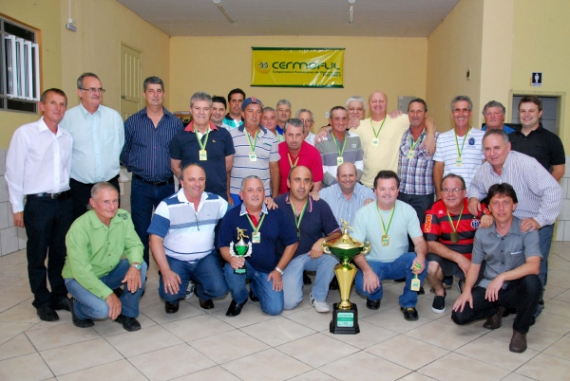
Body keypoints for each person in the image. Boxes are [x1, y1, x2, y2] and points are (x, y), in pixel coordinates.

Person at [467, 129, 561, 316]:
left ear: (508, 147)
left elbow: (553, 191)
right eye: (487, 149)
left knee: (535, 269)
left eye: (497, 148)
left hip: (532, 223)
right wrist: (473, 198)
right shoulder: (485, 169)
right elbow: (476, 186)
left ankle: (532, 308)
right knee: (505, 263)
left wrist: (539, 220)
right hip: (505, 223)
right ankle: (502, 301)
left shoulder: (526, 165)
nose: (492, 153)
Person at [5, 88, 74, 321]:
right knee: (37, 255)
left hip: (63, 203)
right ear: (42, 106)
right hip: (38, 204)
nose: (58, 108)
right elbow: (13, 173)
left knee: (59, 253)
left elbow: (66, 170)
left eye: (62, 104)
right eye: (53, 103)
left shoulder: (66, 137)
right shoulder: (25, 134)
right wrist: (17, 207)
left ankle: (58, 294)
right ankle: (41, 300)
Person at [452, 183, 542, 353]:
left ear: (514, 205)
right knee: (460, 315)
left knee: (533, 283)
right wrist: (467, 290)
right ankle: (497, 309)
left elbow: (534, 266)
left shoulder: (526, 229)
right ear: (489, 208)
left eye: (506, 202)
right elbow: (475, 266)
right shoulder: (482, 232)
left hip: (515, 286)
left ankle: (520, 331)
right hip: (489, 287)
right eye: (496, 203)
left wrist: (503, 277)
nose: (501, 208)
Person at [63, 182, 146, 332]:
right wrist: (108, 294)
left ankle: (127, 313)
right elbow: (81, 271)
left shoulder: (123, 217)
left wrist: (135, 266)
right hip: (79, 279)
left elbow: (135, 245)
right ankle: (78, 309)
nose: (112, 207)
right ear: (93, 203)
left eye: (115, 201)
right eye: (106, 202)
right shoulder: (79, 228)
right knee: (102, 311)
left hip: (108, 272)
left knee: (141, 265)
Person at [148, 164, 229, 314]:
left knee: (220, 290)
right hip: (175, 259)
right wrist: (166, 271)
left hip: (205, 258)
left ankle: (202, 292)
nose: (197, 184)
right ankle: (175, 296)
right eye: (191, 179)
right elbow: (155, 240)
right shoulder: (167, 205)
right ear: (182, 182)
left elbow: (238, 214)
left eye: (201, 179)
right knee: (170, 293)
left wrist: (265, 203)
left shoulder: (216, 201)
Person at [121, 76, 184, 267]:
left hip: (166, 186)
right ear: (144, 94)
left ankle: (167, 273)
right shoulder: (132, 122)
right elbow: (124, 151)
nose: (155, 95)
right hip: (141, 186)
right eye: (151, 91)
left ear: (164, 94)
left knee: (168, 231)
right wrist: (136, 166)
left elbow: (180, 153)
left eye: (158, 91)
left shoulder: (175, 123)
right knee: (140, 232)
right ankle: (140, 273)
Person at [352, 170, 427, 321]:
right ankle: (375, 295)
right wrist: (366, 270)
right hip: (373, 263)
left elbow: (419, 241)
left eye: (392, 189)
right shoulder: (363, 213)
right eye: (382, 189)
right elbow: (355, 248)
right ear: (375, 191)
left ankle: (408, 302)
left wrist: (421, 256)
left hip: (399, 262)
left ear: (398, 191)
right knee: (361, 285)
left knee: (419, 262)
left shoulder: (408, 210)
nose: (387, 193)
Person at [218, 176, 298, 317]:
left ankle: (256, 287)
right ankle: (240, 298)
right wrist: (231, 259)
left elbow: (292, 242)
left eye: (259, 190)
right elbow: (223, 245)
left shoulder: (276, 213)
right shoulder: (231, 216)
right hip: (244, 267)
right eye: (250, 190)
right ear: (241, 195)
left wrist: (278, 270)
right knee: (232, 270)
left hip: (268, 270)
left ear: (264, 194)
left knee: (274, 309)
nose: (255, 194)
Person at [275, 166, 341, 312]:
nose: (302, 185)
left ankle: (318, 296)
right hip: (287, 259)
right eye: (297, 180)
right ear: (288, 183)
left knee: (332, 257)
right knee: (288, 303)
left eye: (306, 181)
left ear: (312, 185)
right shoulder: (276, 205)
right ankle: (295, 281)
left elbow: (337, 234)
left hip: (311, 255)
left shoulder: (320, 205)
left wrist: (323, 240)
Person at [60, 72, 124, 219]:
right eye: (92, 89)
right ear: (80, 92)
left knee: (110, 231)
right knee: (83, 232)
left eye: (100, 89)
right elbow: (63, 152)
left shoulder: (113, 117)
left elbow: (119, 146)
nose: (97, 93)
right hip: (80, 188)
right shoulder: (68, 119)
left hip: (109, 185)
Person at [350, 91, 435, 188]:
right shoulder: (358, 126)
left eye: (381, 101)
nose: (378, 104)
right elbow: (337, 130)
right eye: (374, 101)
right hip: (367, 184)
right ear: (369, 105)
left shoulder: (398, 119)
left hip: (390, 186)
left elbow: (426, 119)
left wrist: (430, 135)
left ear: (387, 103)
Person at [424, 174, 482, 313]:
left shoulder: (477, 207)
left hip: (473, 258)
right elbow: (430, 244)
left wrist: (490, 218)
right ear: (441, 192)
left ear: (464, 192)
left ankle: (465, 286)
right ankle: (439, 293)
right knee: (430, 267)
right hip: (446, 256)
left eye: (456, 189)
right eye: (446, 190)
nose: (450, 194)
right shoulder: (433, 210)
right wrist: (459, 258)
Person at [170, 92, 235, 202]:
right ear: (191, 109)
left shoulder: (224, 135)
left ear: (211, 111)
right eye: (197, 108)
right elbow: (175, 167)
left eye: (205, 109)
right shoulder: (180, 137)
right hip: (189, 196)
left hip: (217, 195)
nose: (201, 113)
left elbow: (228, 165)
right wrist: (190, 182)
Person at [229, 97, 280, 206]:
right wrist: (227, 194)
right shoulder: (231, 136)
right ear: (242, 113)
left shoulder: (271, 137)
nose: (254, 115)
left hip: (263, 194)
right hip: (236, 193)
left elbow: (274, 169)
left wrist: (275, 195)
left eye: (258, 112)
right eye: (250, 111)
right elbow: (226, 168)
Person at [397, 98, 439, 231]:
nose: (415, 115)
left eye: (419, 111)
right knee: (402, 232)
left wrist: (430, 134)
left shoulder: (436, 138)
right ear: (408, 113)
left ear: (425, 114)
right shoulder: (401, 134)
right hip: (402, 194)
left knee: (421, 233)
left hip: (423, 196)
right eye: (412, 111)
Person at [433, 95, 485, 198]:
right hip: (449, 198)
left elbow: (486, 168)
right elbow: (438, 169)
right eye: (457, 110)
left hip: (474, 199)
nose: (461, 114)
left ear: (471, 113)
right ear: (452, 114)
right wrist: (439, 195)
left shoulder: (482, 137)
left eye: (465, 110)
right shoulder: (443, 138)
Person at [508, 95, 565, 181]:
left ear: (540, 113)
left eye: (531, 111)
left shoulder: (552, 139)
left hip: (539, 193)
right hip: (511, 192)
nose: (526, 115)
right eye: (523, 111)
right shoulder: (509, 138)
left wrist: (545, 189)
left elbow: (559, 171)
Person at [316, 106, 363, 187]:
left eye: (344, 118)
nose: (341, 122)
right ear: (330, 121)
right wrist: (336, 184)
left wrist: (350, 182)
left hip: (352, 188)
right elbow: (320, 167)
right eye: (337, 119)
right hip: (329, 189)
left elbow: (359, 163)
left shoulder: (355, 138)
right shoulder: (321, 141)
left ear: (348, 120)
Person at [319, 162, 375, 227]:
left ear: (356, 176)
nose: (347, 179)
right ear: (337, 177)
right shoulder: (324, 195)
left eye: (351, 175)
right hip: (334, 237)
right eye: (344, 176)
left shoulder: (368, 194)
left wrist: (373, 206)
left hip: (359, 237)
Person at [278, 118, 323, 195]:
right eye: (290, 135)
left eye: (298, 135)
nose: (294, 139)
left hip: (305, 200)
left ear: (303, 136)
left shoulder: (313, 153)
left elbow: (316, 184)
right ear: (284, 135)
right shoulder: (276, 151)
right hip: (281, 201)